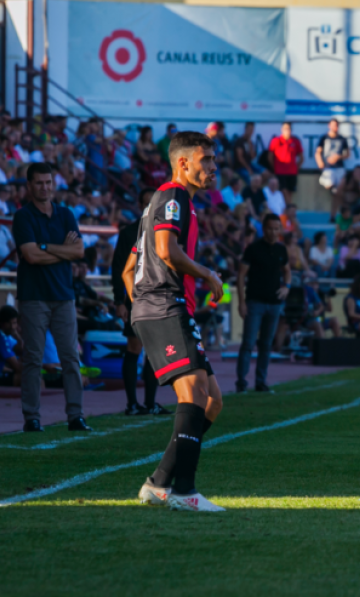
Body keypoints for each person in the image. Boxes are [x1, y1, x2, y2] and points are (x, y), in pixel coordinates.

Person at [124, 131, 227, 513]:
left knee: (212, 401)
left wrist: (140, 307)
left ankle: (159, 482)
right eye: (206, 161)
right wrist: (207, 274)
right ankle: (184, 492)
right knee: (195, 394)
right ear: (183, 163)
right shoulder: (173, 196)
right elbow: (166, 251)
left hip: (164, 307)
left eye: (214, 161)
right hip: (165, 306)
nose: (213, 168)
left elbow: (129, 268)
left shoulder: (164, 202)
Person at [11, 163, 88, 433]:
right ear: (29, 186)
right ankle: (32, 418)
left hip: (63, 296)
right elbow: (30, 255)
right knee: (33, 358)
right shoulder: (23, 217)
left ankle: (76, 416)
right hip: (33, 297)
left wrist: (44, 248)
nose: (44, 187)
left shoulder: (66, 214)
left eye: (48, 182)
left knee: (70, 358)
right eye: (39, 183)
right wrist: (60, 250)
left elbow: (78, 251)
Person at [111, 188, 167, 416]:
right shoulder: (129, 233)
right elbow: (118, 269)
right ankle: (132, 403)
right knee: (135, 347)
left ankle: (151, 403)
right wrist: (119, 301)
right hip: (137, 297)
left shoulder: (167, 232)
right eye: (146, 204)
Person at [235, 213, 291, 394]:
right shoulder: (253, 249)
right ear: (264, 229)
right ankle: (241, 382)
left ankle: (261, 382)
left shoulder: (282, 250)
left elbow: (287, 270)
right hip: (254, 302)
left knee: (266, 344)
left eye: (276, 229)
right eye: (270, 228)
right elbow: (241, 275)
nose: (273, 232)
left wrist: (287, 287)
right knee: (248, 343)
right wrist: (242, 302)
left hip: (274, 303)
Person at [315, 118, 350, 215]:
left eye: (337, 125)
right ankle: (342, 211)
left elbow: (348, 154)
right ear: (329, 126)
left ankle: (333, 215)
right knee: (333, 189)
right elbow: (318, 153)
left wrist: (338, 156)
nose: (335, 127)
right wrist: (320, 163)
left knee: (337, 193)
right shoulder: (324, 138)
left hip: (339, 167)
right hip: (328, 168)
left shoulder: (342, 139)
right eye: (333, 125)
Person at [268, 122, 303, 200]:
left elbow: (301, 158)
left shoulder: (295, 141)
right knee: (283, 191)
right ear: (281, 130)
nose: (287, 131)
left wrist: (296, 168)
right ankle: (288, 208)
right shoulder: (275, 140)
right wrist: (274, 168)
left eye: (289, 129)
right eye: (285, 129)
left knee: (290, 192)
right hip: (280, 172)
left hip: (292, 172)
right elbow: (270, 157)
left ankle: (287, 210)